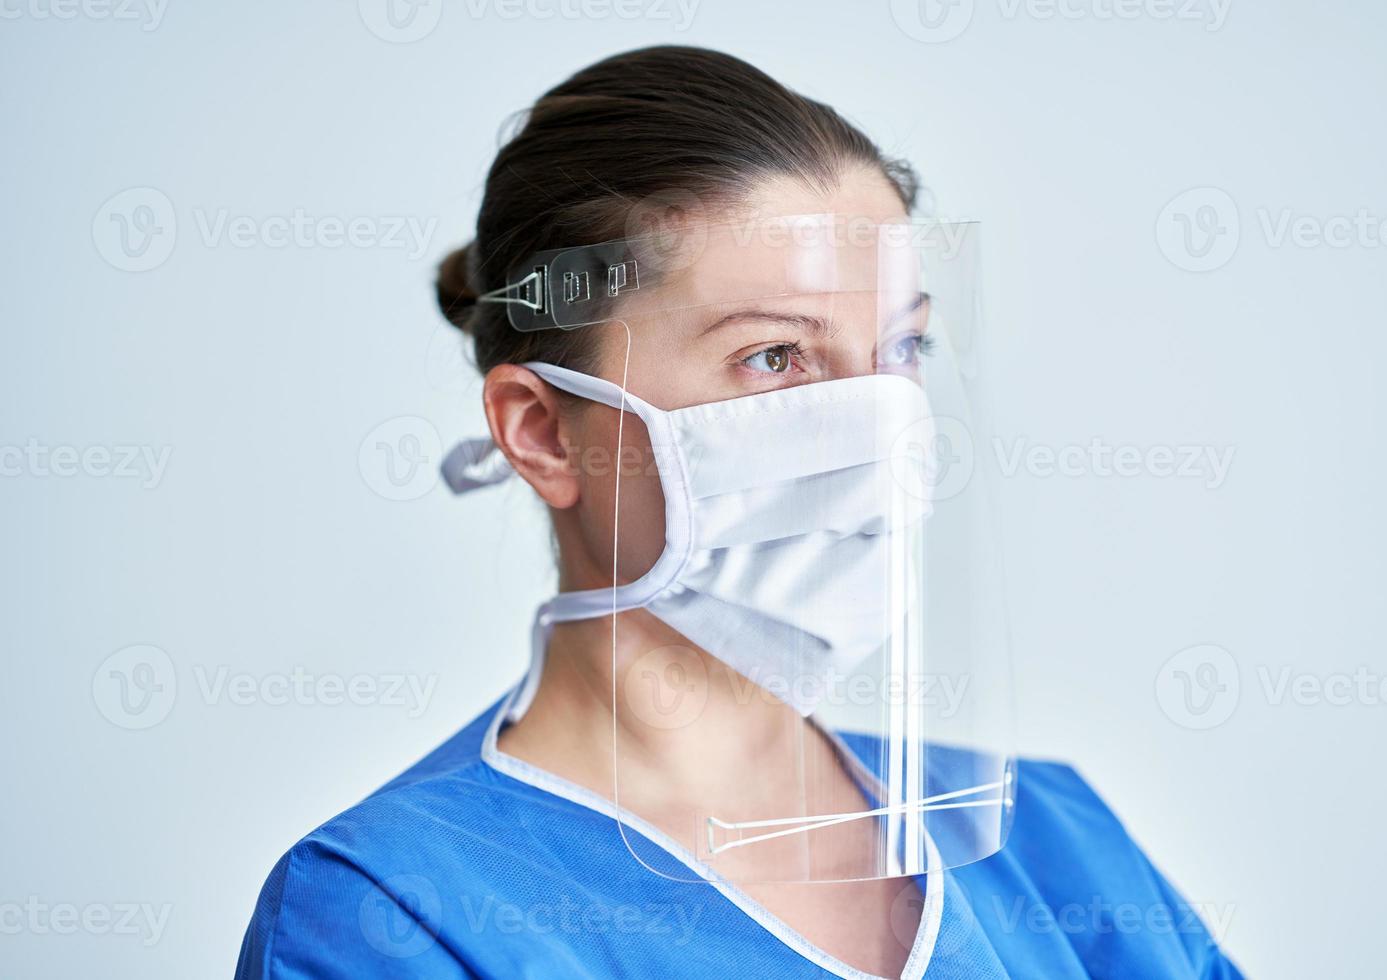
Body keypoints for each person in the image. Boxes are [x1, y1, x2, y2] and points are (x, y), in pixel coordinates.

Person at [235, 46, 1241, 979]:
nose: (879, 422)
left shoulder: (1051, 838)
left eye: (901, 350)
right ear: (542, 431)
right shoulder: (398, 908)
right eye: (775, 356)